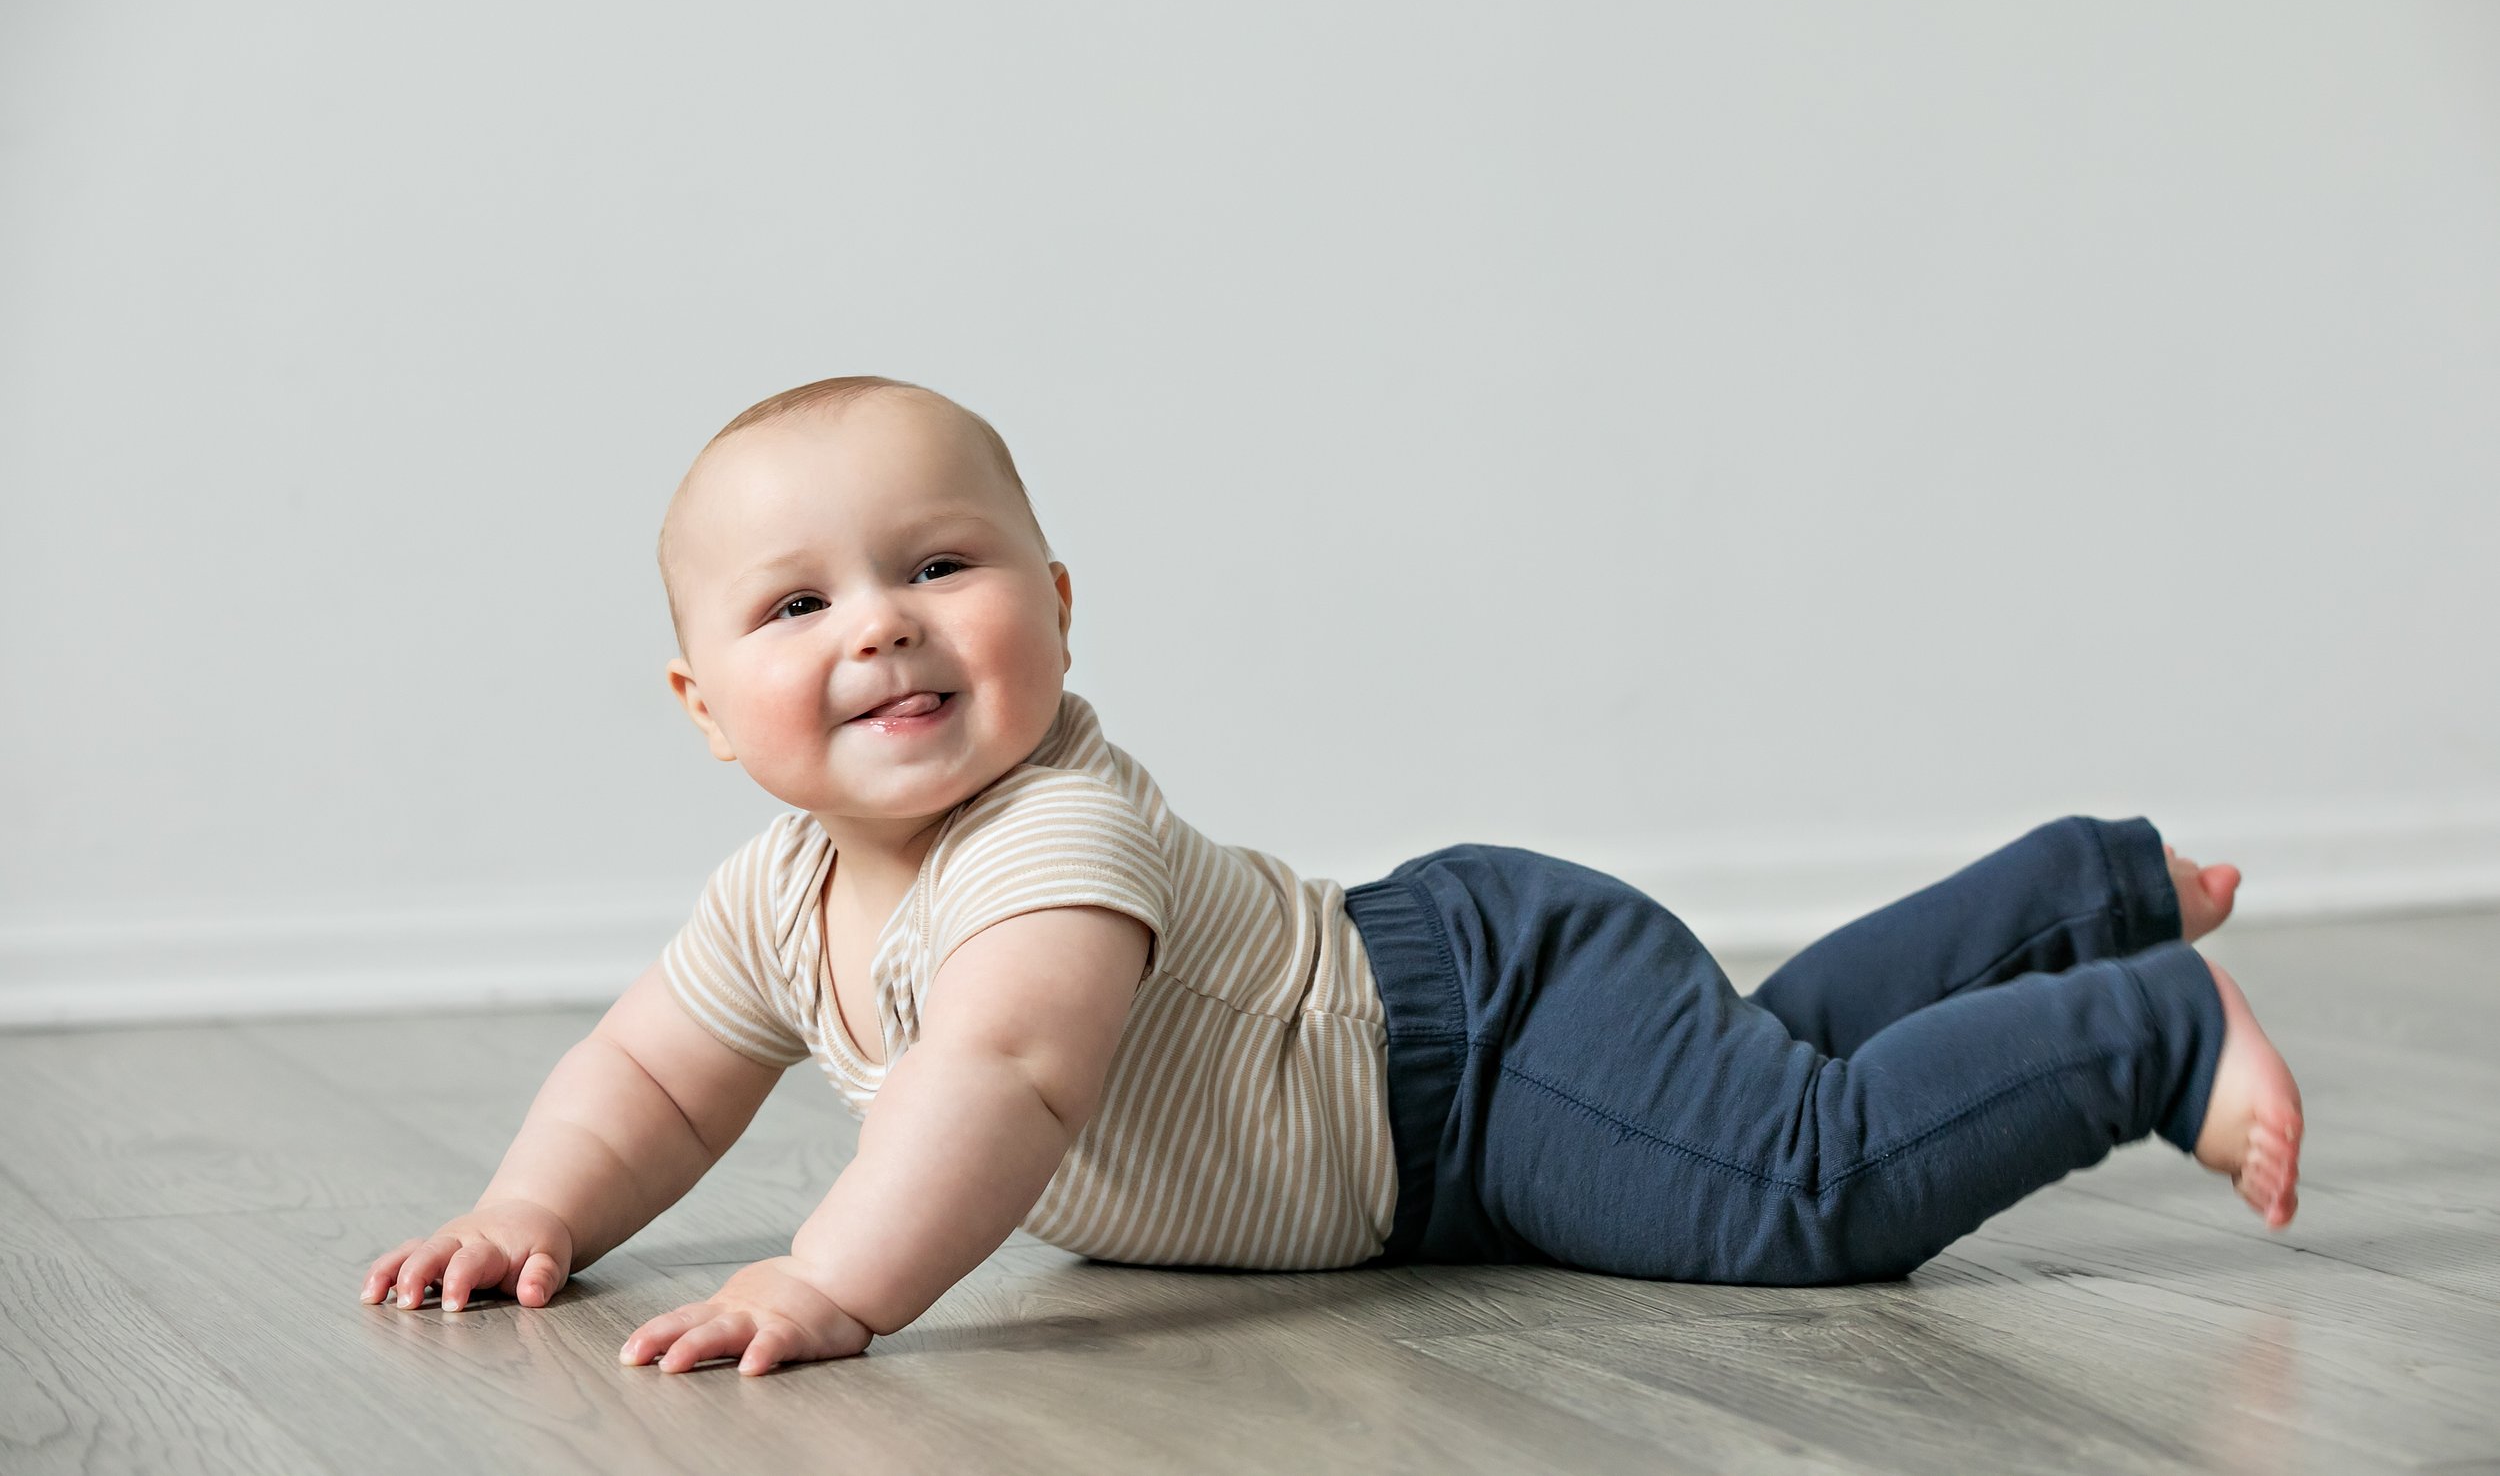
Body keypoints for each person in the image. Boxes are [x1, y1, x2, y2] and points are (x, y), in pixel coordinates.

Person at [358, 376, 2304, 1376]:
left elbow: (1007, 1080)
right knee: (1764, 1073)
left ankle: (2137, 1033)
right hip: (1441, 1094)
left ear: (1051, 602)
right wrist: (530, 1212)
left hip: (1469, 1055)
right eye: (800, 604)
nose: (882, 629)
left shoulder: (1052, 835)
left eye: (938, 566)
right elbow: (648, 1072)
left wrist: (834, 1281)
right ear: (707, 704)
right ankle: (2078, 884)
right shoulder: (773, 899)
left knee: (1793, 1188)